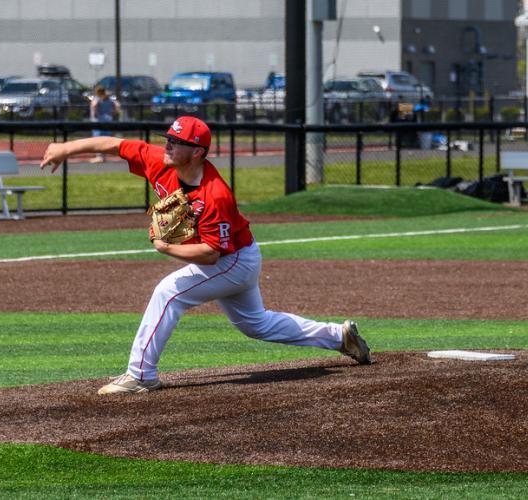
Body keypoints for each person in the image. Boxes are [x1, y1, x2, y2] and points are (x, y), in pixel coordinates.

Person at [40, 115, 373, 395]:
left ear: (198, 151)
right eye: (167, 138)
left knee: (169, 293)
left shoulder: (215, 195)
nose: (167, 145)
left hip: (233, 260)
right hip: (237, 256)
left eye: (176, 141)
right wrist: (64, 149)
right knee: (255, 324)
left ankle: (141, 374)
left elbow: (211, 254)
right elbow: (114, 144)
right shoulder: (160, 162)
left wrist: (167, 247)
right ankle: (338, 335)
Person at [88, 85, 121, 163]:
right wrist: (114, 113)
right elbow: (117, 105)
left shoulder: (97, 98)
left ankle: (99, 157)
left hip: (98, 121)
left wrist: (95, 114)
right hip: (108, 120)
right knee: (105, 140)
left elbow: (94, 105)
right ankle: (103, 157)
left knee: (97, 140)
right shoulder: (109, 99)